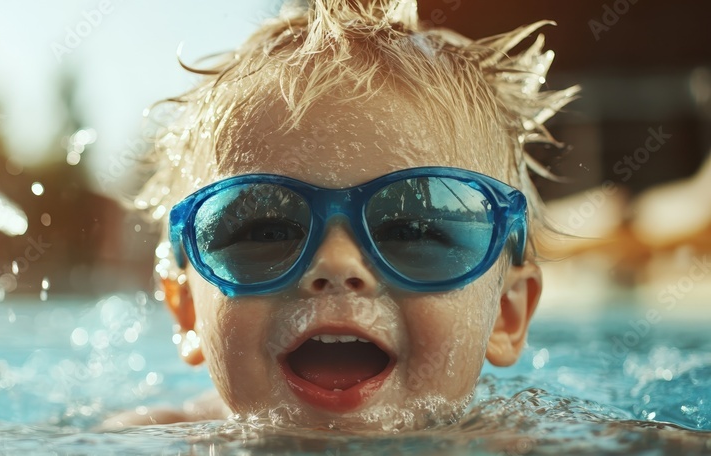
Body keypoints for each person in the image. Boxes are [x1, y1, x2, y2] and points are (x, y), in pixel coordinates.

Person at [109, 0, 578, 430]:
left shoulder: (534, 454)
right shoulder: (155, 448)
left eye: (410, 231)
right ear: (188, 310)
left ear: (506, 313)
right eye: (268, 231)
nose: (335, 263)